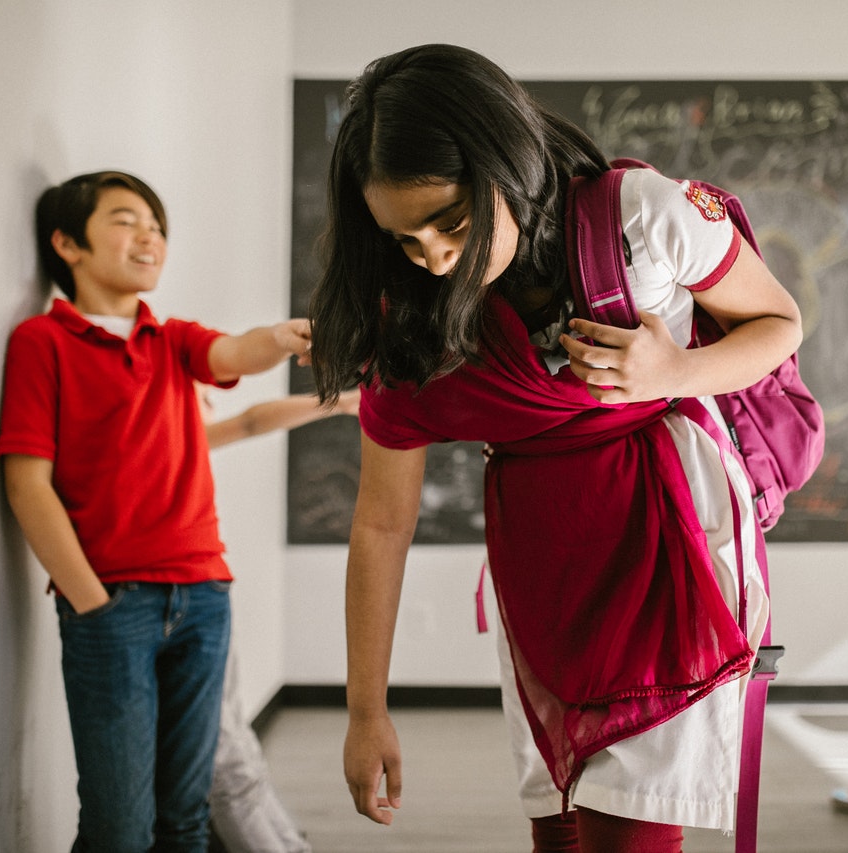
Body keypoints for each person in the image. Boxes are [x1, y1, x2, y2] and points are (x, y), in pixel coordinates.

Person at [306, 44, 804, 852]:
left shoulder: (639, 217)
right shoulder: (411, 319)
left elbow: (780, 324)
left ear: (507, 162)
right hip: (542, 563)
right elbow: (381, 523)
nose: (434, 256)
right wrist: (366, 712)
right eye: (405, 238)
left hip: (669, 535)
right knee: (563, 826)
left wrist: (673, 371)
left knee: (628, 829)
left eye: (453, 223)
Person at [0, 170, 311, 853]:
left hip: (203, 597)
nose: (150, 236)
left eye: (158, 226)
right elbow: (27, 484)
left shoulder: (172, 340)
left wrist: (284, 338)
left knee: (186, 821)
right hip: (113, 606)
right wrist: (92, 601)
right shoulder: (40, 344)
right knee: (119, 828)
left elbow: (236, 351)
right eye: (126, 219)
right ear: (66, 243)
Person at [199, 388, 360, 853]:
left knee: (232, 744)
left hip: (203, 586)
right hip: (167, 591)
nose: (207, 401)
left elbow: (248, 421)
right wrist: (340, 402)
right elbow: (247, 421)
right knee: (226, 752)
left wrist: (342, 402)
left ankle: (288, 843)